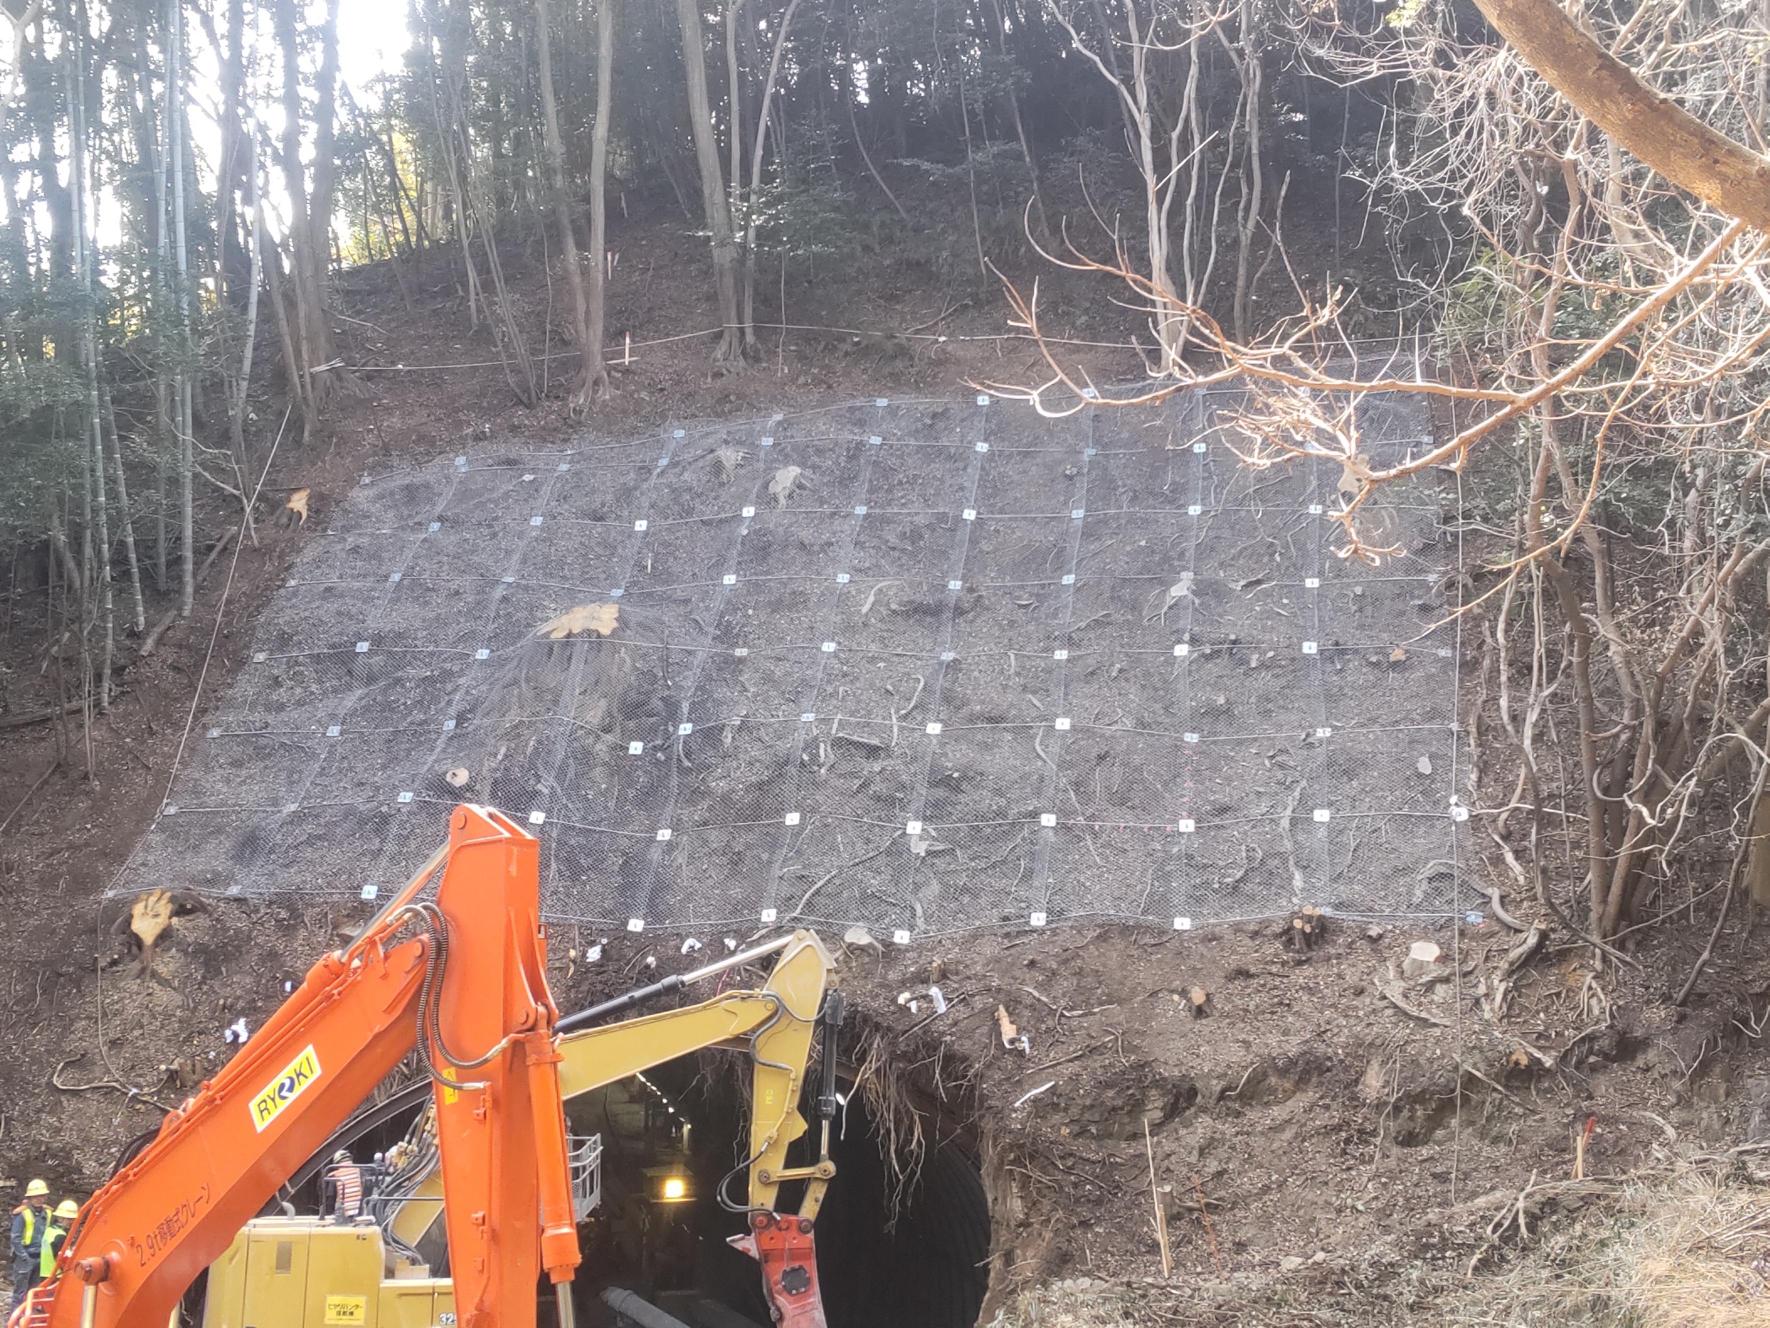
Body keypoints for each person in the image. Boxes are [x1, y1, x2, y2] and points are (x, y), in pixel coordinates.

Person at [8, 1181, 49, 1312]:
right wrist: (24, 1257)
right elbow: (15, 1238)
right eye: (35, 1196)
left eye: (41, 1195)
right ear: (30, 1198)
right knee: (20, 1292)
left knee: (34, 1291)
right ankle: (15, 1318)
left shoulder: (47, 1213)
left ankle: (29, 1317)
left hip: (40, 1257)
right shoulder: (22, 1214)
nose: (39, 1199)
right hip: (25, 1256)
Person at [37, 1202, 77, 1283]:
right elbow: (63, 1258)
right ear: (60, 1218)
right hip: (56, 1275)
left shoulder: (49, 1230)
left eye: (72, 1219)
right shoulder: (60, 1235)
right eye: (69, 1219)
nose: (71, 1222)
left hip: (45, 1273)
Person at [325, 1150, 363, 1221]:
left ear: (337, 1162)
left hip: (343, 1215)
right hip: (360, 1212)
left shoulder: (334, 1175)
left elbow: (331, 1198)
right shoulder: (359, 1171)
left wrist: (329, 1214)